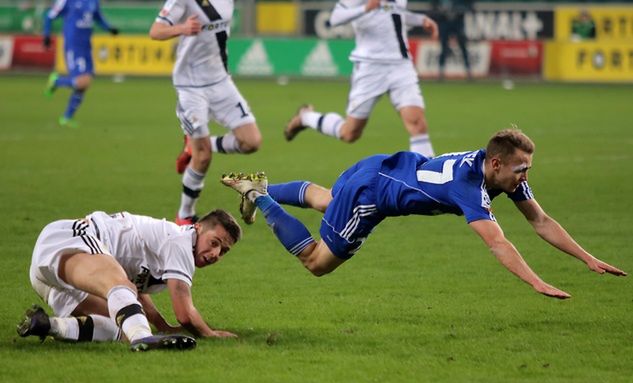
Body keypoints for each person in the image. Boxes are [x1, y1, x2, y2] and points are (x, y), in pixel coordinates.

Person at [222, 128, 626, 299]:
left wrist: (587, 259)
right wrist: (537, 283)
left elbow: (540, 220)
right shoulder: (468, 187)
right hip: (373, 192)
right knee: (317, 262)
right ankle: (259, 195)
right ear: (498, 164)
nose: (526, 175)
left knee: (329, 201)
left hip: (382, 165)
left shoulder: (499, 174)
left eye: (528, 169)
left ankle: (262, 186)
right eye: (522, 168)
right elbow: (497, 243)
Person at [17, 209, 242, 351]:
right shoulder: (181, 241)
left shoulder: (170, 246)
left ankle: (48, 325)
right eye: (214, 243)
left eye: (223, 251)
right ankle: (144, 339)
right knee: (121, 287)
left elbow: (136, 290)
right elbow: (184, 314)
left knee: (122, 325)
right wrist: (209, 334)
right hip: (70, 239)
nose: (215, 254)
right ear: (198, 228)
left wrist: (161, 325)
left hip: (45, 275)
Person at [149, 0, 263, 226]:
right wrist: (181, 28)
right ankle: (184, 214)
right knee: (203, 158)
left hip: (220, 81)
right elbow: (156, 31)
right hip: (190, 86)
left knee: (252, 141)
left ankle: (197, 144)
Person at [283, 0, 439, 158]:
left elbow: (394, 12)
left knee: (417, 124)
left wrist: (421, 20)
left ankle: (425, 177)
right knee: (350, 133)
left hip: (401, 66)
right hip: (370, 67)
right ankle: (306, 117)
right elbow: (336, 18)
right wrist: (366, 7)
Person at [42, 0, 119, 128]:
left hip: (86, 46)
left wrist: (109, 28)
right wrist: (46, 36)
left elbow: (97, 17)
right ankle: (56, 81)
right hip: (73, 45)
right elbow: (49, 16)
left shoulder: (93, 1)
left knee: (85, 83)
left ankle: (66, 118)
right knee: (82, 81)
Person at [434, 0, 473, 81]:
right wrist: (441, 10)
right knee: (443, 48)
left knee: (463, 47)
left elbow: (469, 5)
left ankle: (469, 72)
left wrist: (459, 10)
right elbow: (434, 5)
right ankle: (441, 73)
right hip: (445, 22)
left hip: (457, 22)